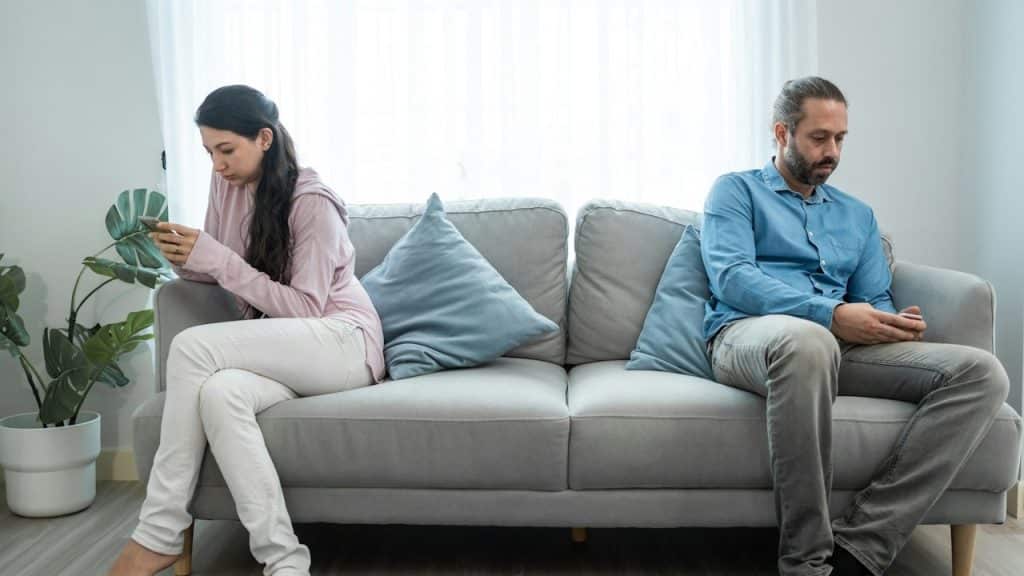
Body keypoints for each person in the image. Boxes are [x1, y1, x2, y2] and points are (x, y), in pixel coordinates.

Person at [701, 76, 1008, 576]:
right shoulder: (736, 192)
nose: (832, 151)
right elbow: (733, 279)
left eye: (840, 139)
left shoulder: (857, 215)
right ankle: (805, 562)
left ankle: (860, 548)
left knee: (982, 373)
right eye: (819, 138)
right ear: (782, 133)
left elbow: (872, 297)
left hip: (839, 344)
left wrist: (891, 321)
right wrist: (829, 313)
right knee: (808, 342)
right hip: (748, 335)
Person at [110, 85, 385, 576]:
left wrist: (216, 258)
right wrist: (188, 258)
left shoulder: (313, 201)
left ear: (263, 138)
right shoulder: (227, 185)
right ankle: (284, 560)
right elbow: (224, 267)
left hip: (341, 341)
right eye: (209, 152)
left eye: (226, 150)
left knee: (192, 348)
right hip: (285, 347)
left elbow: (304, 308)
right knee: (219, 394)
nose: (217, 165)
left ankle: (158, 534)